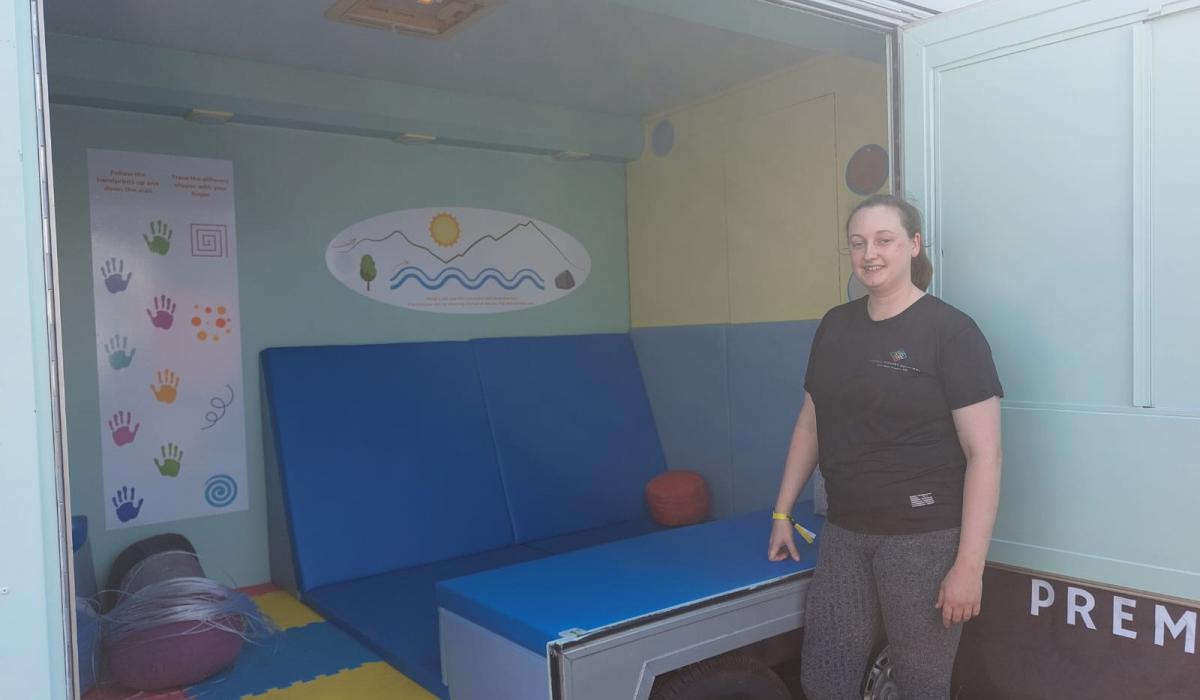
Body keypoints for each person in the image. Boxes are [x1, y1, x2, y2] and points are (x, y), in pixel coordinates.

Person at [768, 194, 1003, 699]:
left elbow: (985, 455)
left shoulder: (951, 332)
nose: (869, 253)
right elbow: (810, 424)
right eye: (858, 243)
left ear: (914, 245)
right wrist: (782, 512)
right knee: (824, 680)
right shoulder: (835, 325)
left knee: (920, 685)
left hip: (923, 539)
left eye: (884, 240)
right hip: (845, 533)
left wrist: (969, 567)